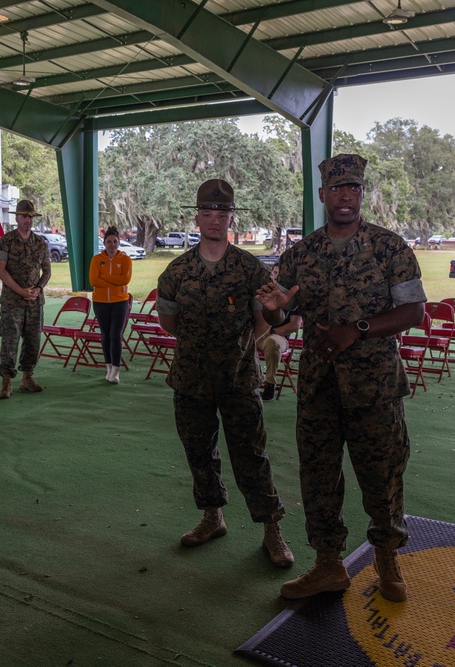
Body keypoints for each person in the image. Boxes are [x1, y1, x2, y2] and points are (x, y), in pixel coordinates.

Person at [257, 154, 425, 603]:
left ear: (362, 194)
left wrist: (359, 329)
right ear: (322, 195)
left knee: (382, 475)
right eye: (337, 188)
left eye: (353, 188)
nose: (345, 196)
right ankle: (328, 564)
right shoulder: (302, 253)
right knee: (318, 477)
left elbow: (413, 311)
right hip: (318, 387)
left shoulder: (390, 248)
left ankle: (387, 560)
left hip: (375, 388)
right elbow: (282, 310)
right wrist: (274, 308)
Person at [155, 179, 293, 568]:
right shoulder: (177, 271)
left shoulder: (250, 269)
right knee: (199, 454)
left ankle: (271, 529)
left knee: (251, 455)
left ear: (231, 217)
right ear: (197, 217)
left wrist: (264, 322)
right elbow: (169, 322)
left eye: (223, 213)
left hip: (237, 380)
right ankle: (212, 517)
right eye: (208, 213)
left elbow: (265, 323)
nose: (215, 220)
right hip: (190, 380)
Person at [0, 199, 50, 398]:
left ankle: (27, 377)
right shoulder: (5, 241)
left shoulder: (41, 242)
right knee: (10, 340)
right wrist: (20, 290)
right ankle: (6, 381)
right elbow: (0, 270)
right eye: (24, 216)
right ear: (16, 218)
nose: (28, 220)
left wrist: (37, 289)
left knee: (33, 340)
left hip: (35, 301)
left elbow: (47, 271)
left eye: (30, 217)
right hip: (12, 301)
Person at [89, 226, 133, 384]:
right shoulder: (96, 259)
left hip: (120, 302)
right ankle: (108, 367)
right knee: (105, 336)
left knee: (116, 335)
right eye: (109, 241)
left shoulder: (125, 260)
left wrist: (105, 277)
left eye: (115, 241)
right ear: (104, 243)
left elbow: (125, 280)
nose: (112, 245)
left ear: (119, 242)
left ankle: (116, 369)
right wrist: (114, 278)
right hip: (100, 302)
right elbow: (94, 281)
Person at [256, 269, 302, 402]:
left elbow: (295, 325)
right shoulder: (261, 294)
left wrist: (271, 332)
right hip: (258, 335)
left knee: (272, 342)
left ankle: (270, 383)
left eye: (278, 273)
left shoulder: (292, 300)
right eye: (273, 273)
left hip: (278, 337)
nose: (275, 277)